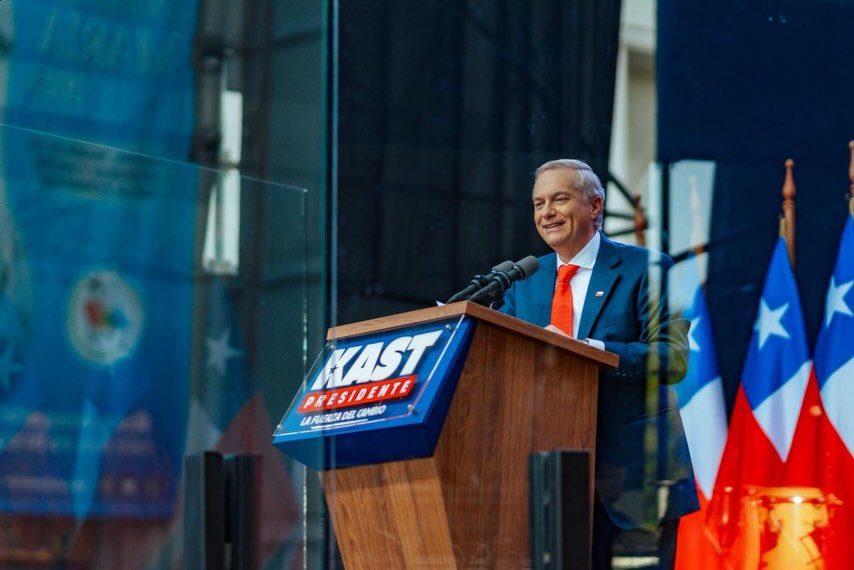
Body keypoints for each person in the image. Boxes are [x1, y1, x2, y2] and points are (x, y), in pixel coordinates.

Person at [500, 159, 699, 569]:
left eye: (559, 199)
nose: (546, 213)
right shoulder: (524, 281)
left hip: (634, 482)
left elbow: (672, 358)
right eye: (538, 203)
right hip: (550, 481)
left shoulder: (647, 268)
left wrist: (586, 349)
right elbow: (499, 356)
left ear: (595, 206)